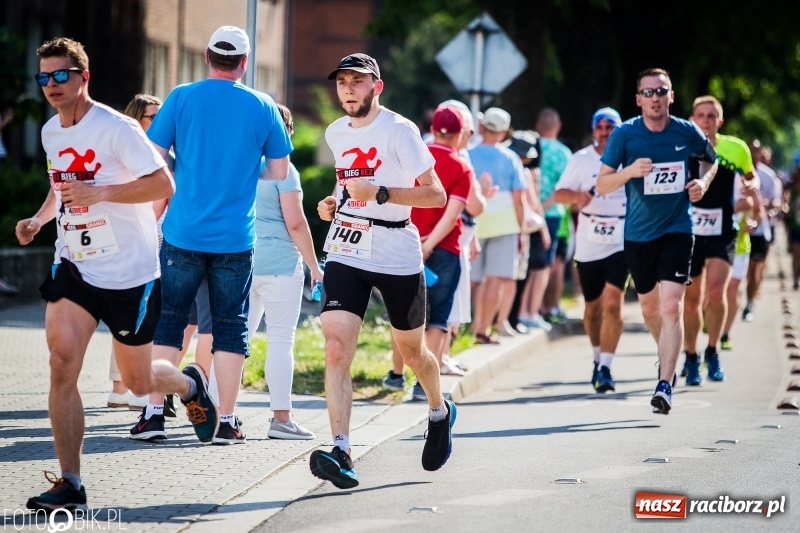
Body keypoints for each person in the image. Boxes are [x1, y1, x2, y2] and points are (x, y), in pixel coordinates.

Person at [17, 37, 218, 511]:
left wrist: (100, 194)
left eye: (60, 75)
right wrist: (39, 219)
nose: (51, 85)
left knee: (140, 381)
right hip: (75, 265)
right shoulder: (51, 132)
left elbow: (162, 183)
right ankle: (71, 482)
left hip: (131, 274)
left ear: (83, 77)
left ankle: (190, 386)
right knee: (61, 363)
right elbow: (60, 186)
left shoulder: (117, 128)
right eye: (43, 77)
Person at [131, 26, 293, 445]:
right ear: (244, 62)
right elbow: (278, 172)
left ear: (207, 56)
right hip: (235, 239)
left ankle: (153, 415)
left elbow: (152, 155)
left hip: (182, 231)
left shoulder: (181, 97)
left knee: (168, 322)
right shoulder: (263, 106)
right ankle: (226, 421)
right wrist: (241, 171)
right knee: (229, 328)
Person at [312, 52, 454, 489]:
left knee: (412, 353)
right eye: (342, 82)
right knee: (336, 347)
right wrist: (334, 202)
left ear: (377, 86)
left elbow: (436, 196)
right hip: (347, 247)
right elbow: (348, 182)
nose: (349, 88)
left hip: (395, 248)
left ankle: (439, 411)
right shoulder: (336, 132)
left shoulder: (400, 130)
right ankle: (341, 450)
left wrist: (382, 193)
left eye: (358, 81)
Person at [597, 68, 717, 415]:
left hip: (678, 228)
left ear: (671, 96)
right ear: (638, 99)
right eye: (647, 93)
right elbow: (603, 185)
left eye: (660, 91)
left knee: (671, 306)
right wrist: (630, 172)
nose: (654, 98)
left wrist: (702, 184)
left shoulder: (686, 130)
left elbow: (712, 160)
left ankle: (665, 382)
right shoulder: (625, 135)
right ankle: (668, 354)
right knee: (650, 308)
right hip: (638, 235)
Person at [246, 103, 320, 440]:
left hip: (240, 261)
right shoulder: (285, 171)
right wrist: (315, 266)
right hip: (280, 264)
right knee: (280, 340)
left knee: (232, 339)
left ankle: (219, 412)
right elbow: (295, 222)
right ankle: (281, 419)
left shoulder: (241, 166)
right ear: (284, 132)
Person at [679, 96, 758, 385]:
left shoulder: (735, 148)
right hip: (688, 231)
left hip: (723, 230)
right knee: (691, 299)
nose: (706, 120)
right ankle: (690, 355)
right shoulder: (683, 145)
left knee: (716, 293)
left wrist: (752, 185)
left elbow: (753, 177)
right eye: (701, 115)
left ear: (720, 121)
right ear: (693, 118)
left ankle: (712, 350)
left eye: (712, 115)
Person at [553, 107, 628, 393]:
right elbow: (559, 194)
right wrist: (576, 196)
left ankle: (607, 367)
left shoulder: (629, 157)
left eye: (611, 126)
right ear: (594, 129)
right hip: (589, 239)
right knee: (593, 307)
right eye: (601, 126)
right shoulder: (581, 159)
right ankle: (597, 359)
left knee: (612, 302)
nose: (606, 131)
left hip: (622, 237)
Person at [469, 107, 529, 343]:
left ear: (482, 127)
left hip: (475, 219)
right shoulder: (511, 158)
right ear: (504, 132)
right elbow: (519, 198)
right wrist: (522, 228)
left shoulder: (469, 154)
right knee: (494, 279)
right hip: (505, 224)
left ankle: (458, 327)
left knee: (472, 279)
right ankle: (483, 329)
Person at [536, 108, 572, 325]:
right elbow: (565, 187)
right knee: (553, 264)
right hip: (554, 214)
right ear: (558, 127)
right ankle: (550, 307)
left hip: (527, 212)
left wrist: (536, 207)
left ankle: (534, 308)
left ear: (538, 126)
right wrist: (546, 205)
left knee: (532, 266)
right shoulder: (564, 153)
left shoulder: (532, 146)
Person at [742, 140, 781, 321]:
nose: (755, 154)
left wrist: (767, 205)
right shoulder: (737, 172)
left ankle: (750, 303)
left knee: (754, 269)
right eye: (752, 151)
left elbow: (777, 202)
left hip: (759, 229)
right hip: (737, 229)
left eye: (758, 151)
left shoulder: (768, 176)